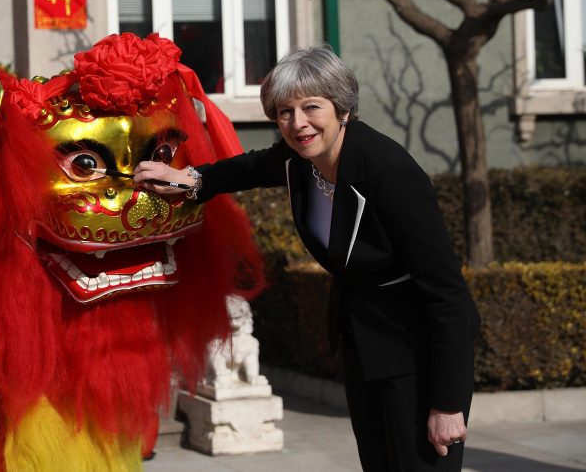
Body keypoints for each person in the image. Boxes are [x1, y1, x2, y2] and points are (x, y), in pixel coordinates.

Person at [134, 45, 480, 472]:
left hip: (417, 353)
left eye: (311, 107)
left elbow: (449, 294)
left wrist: (446, 403)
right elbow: (252, 166)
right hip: (363, 343)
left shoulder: (390, 172)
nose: (298, 124)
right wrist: (188, 178)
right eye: (284, 112)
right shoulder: (299, 159)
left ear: (343, 108)